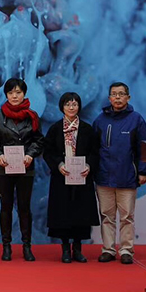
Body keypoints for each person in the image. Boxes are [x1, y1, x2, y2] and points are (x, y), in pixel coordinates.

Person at [0, 78, 45, 262]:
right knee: (6, 207)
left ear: (24, 94)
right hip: (4, 167)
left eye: (18, 92)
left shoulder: (32, 116)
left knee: (25, 207)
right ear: (6, 95)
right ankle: (6, 246)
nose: (14, 96)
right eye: (11, 93)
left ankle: (27, 246)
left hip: (26, 167)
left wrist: (31, 154)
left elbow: (39, 140)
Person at [93, 82, 146, 264]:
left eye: (121, 94)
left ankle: (126, 250)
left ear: (128, 97)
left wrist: (143, 171)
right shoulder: (100, 120)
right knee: (107, 216)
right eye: (114, 94)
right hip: (104, 177)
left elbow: (144, 148)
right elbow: (93, 149)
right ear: (109, 98)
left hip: (127, 176)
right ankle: (108, 249)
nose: (117, 97)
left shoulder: (136, 119)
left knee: (127, 217)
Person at [43, 92, 100, 263]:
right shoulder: (55, 129)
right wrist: (58, 165)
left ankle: (78, 249)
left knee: (80, 213)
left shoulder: (87, 129)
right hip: (62, 177)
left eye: (74, 104)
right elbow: (48, 152)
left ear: (79, 107)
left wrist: (89, 165)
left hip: (82, 177)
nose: (71, 107)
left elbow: (95, 152)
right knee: (63, 213)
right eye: (68, 104)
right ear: (62, 107)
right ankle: (65, 249)